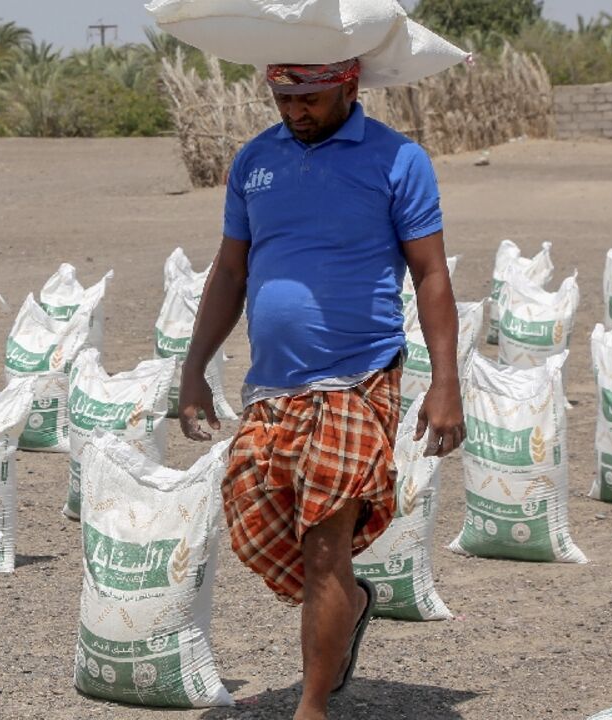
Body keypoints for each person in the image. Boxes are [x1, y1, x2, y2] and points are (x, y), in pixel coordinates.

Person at [178, 57, 465, 720]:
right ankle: (353, 605)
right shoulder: (255, 162)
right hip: (273, 389)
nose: (294, 111)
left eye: (309, 98)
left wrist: (445, 381)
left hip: (358, 378)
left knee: (324, 542)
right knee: (254, 517)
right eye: (283, 97)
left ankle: (312, 706)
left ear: (349, 87)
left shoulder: (398, 160)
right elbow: (229, 270)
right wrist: (194, 366)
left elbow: (430, 273)